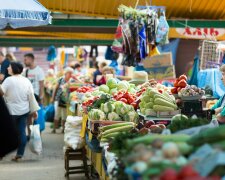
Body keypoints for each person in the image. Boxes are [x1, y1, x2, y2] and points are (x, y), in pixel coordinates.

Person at [0, 62, 38, 161]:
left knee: (5, 132)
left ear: (13, 69)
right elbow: (31, 96)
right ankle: (19, 154)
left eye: (9, 66)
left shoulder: (8, 80)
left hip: (11, 111)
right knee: (22, 132)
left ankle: (2, 154)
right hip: (24, 111)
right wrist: (34, 110)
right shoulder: (26, 81)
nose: (8, 68)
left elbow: (1, 93)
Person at [23, 53, 45, 137]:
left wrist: (41, 97)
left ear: (31, 59)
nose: (24, 61)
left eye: (26, 59)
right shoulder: (26, 71)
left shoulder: (39, 70)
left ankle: (37, 135)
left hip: (36, 96)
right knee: (28, 117)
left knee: (36, 117)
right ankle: (29, 134)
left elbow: (41, 85)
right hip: (27, 97)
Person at [51, 67, 74, 133]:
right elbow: (55, 89)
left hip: (66, 100)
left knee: (64, 115)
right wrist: (53, 97)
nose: (70, 75)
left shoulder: (71, 81)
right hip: (58, 99)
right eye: (70, 73)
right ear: (66, 73)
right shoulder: (61, 79)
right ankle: (54, 128)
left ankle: (63, 129)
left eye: (71, 73)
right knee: (57, 114)